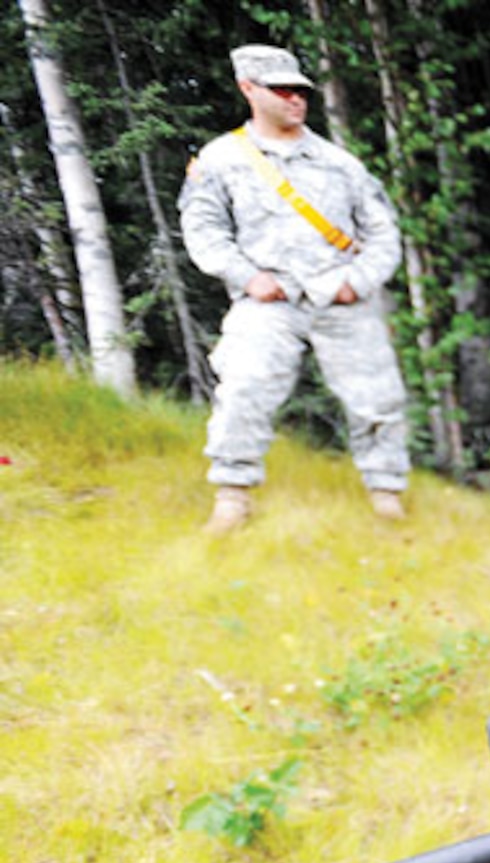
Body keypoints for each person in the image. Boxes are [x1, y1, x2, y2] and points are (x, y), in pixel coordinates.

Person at [180, 44, 412, 536]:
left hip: (339, 294)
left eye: (300, 90)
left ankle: (387, 494)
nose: (295, 98)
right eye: (281, 89)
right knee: (242, 388)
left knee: (379, 397)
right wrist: (248, 278)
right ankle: (233, 496)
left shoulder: (340, 163)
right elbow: (203, 232)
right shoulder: (220, 160)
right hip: (269, 300)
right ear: (248, 89)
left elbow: (384, 233)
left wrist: (359, 281)